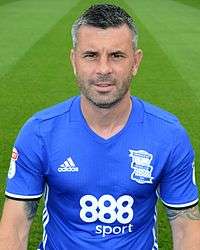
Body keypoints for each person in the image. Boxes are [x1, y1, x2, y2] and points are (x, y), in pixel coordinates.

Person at [0, 3, 199, 250]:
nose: (103, 69)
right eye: (91, 55)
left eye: (116, 55)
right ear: (74, 60)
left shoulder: (169, 135)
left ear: (135, 62)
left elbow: (186, 226)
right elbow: (15, 227)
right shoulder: (39, 132)